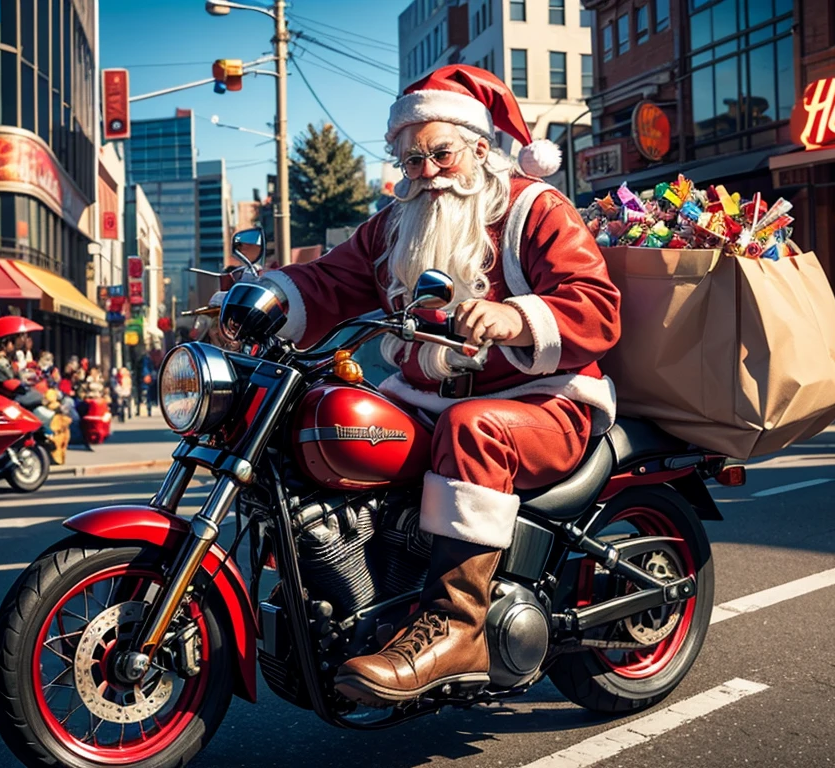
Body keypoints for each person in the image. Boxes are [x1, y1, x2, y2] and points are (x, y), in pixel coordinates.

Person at [233, 65, 620, 706]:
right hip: (428, 401)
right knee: (337, 421)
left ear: (477, 147)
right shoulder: (394, 225)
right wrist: (261, 299)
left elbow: (598, 307)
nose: (428, 171)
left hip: (545, 402)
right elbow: (328, 282)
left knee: (475, 428)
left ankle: (459, 627)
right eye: (412, 159)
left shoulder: (533, 207)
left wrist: (513, 317)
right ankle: (366, 597)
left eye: (441, 152)